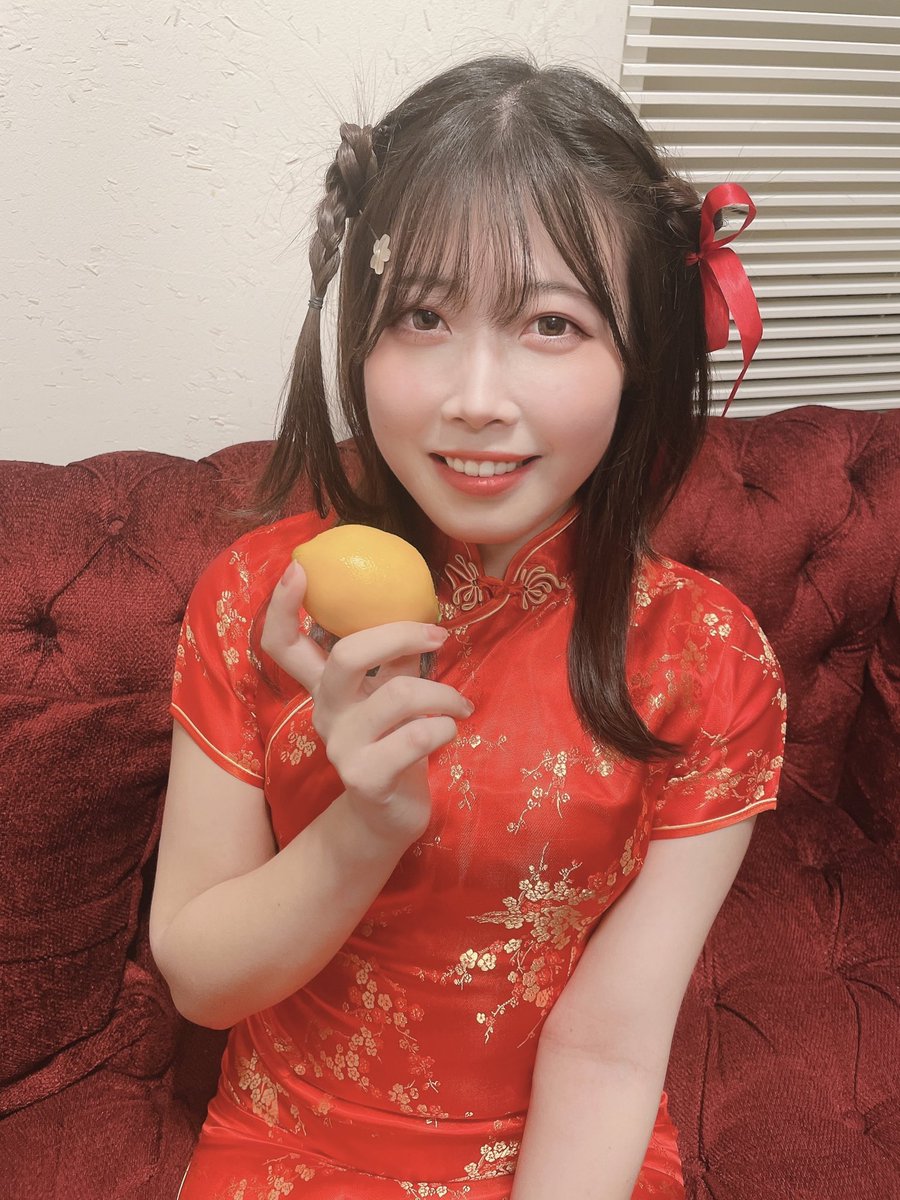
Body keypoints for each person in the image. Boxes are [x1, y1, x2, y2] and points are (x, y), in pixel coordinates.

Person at [149, 53, 786, 1200]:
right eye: (424, 315)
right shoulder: (258, 596)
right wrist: (365, 826)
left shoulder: (708, 661)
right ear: (362, 331)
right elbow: (200, 980)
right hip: (292, 1140)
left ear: (640, 355)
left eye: (551, 322)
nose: (476, 398)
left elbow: (608, 1046)